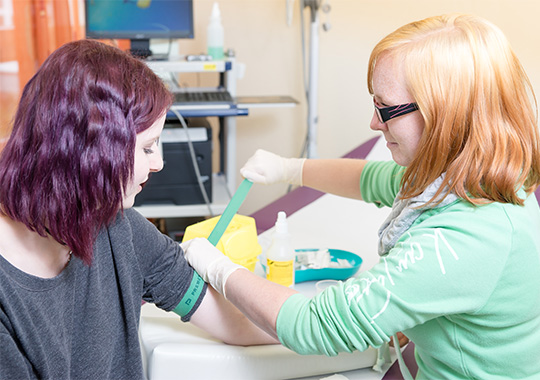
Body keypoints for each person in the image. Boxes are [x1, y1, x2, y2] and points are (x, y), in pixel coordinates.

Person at [182, 14, 540, 379]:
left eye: (385, 108)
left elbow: (317, 326)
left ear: (445, 115)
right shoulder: (467, 178)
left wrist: (220, 268)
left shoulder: (466, 238)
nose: (374, 122)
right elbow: (367, 178)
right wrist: (289, 168)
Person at [0, 39, 276, 379]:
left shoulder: (120, 228)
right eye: (147, 148)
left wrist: (328, 325)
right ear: (94, 150)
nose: (158, 163)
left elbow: (230, 319)